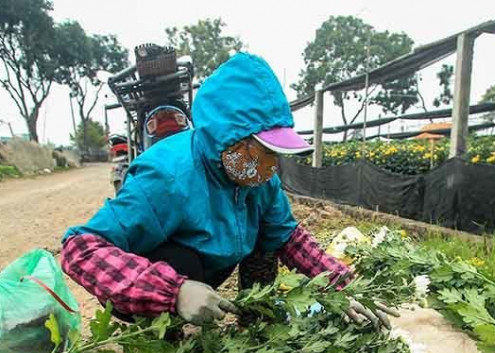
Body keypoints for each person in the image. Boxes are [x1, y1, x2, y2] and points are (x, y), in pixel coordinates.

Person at [61, 53, 394, 328]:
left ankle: (255, 321)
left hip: (213, 264)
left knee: (267, 237)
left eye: (275, 153)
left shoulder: (259, 180)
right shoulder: (167, 178)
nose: (271, 165)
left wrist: (345, 285)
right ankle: (161, 337)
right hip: (162, 279)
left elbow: (290, 238)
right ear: (226, 139)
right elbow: (80, 248)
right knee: (180, 261)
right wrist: (172, 292)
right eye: (262, 150)